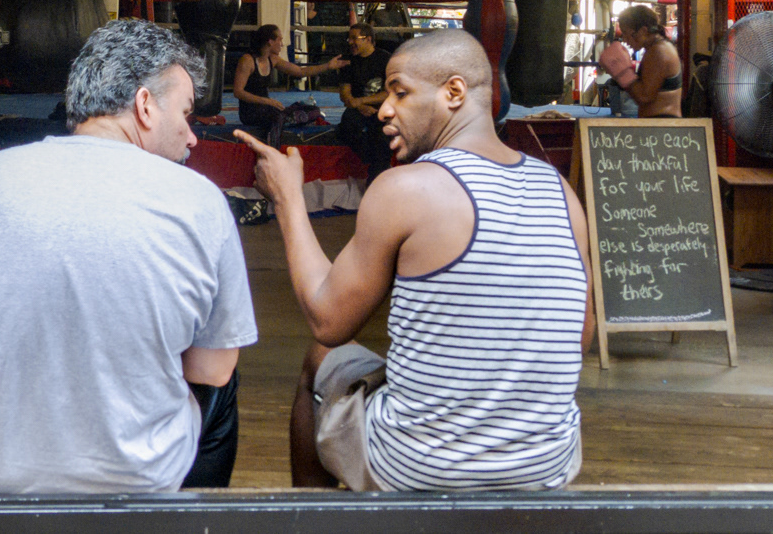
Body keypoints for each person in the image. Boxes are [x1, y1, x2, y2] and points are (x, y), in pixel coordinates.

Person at [0, 19, 258, 494]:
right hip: (140, 478)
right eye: (186, 115)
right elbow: (211, 371)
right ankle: (186, 518)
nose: (192, 138)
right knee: (223, 374)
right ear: (145, 106)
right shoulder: (201, 201)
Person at [234, 28, 591, 491]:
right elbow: (577, 340)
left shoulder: (407, 187)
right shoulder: (560, 191)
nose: (384, 108)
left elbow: (328, 320)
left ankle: (313, 523)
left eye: (399, 92)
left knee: (322, 356)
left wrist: (287, 199)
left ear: (454, 92)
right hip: (546, 465)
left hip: (420, 465)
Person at [233, 24, 347, 147]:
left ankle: (288, 119)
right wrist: (267, 101)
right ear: (270, 42)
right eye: (280, 40)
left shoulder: (273, 59)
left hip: (268, 108)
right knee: (278, 116)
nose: (282, 44)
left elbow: (300, 71)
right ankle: (273, 148)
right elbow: (238, 92)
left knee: (314, 111)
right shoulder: (247, 60)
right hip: (251, 112)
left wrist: (327, 66)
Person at [597, 5, 683, 118]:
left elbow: (644, 96)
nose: (626, 41)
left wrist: (622, 73)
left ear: (643, 31)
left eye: (628, 34)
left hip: (664, 127)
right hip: (659, 126)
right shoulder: (656, 48)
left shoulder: (659, 51)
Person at [337, 22, 391, 183]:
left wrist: (362, 101)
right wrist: (360, 106)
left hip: (380, 108)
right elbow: (344, 94)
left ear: (368, 39)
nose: (351, 42)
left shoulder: (385, 59)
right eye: (349, 39)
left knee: (383, 135)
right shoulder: (348, 61)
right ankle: (371, 160)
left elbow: (390, 93)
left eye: (355, 38)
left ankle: (375, 180)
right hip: (357, 108)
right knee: (347, 126)